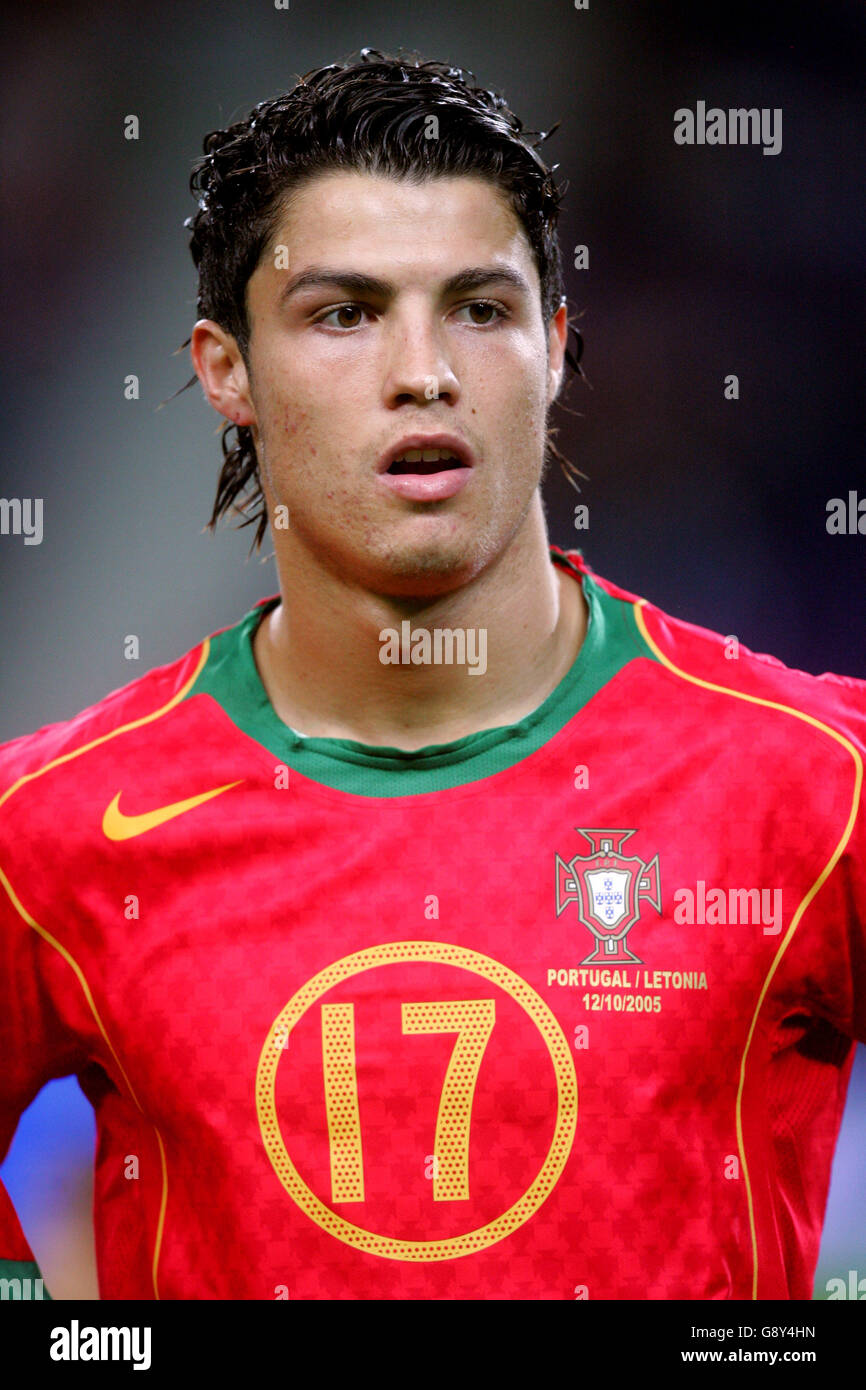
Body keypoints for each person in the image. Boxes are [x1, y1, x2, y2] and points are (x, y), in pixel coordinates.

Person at [1, 49, 863, 1302]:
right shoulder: (58, 826)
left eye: (480, 307)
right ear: (224, 369)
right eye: (343, 313)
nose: (425, 371)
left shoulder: (812, 779)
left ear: (555, 348)